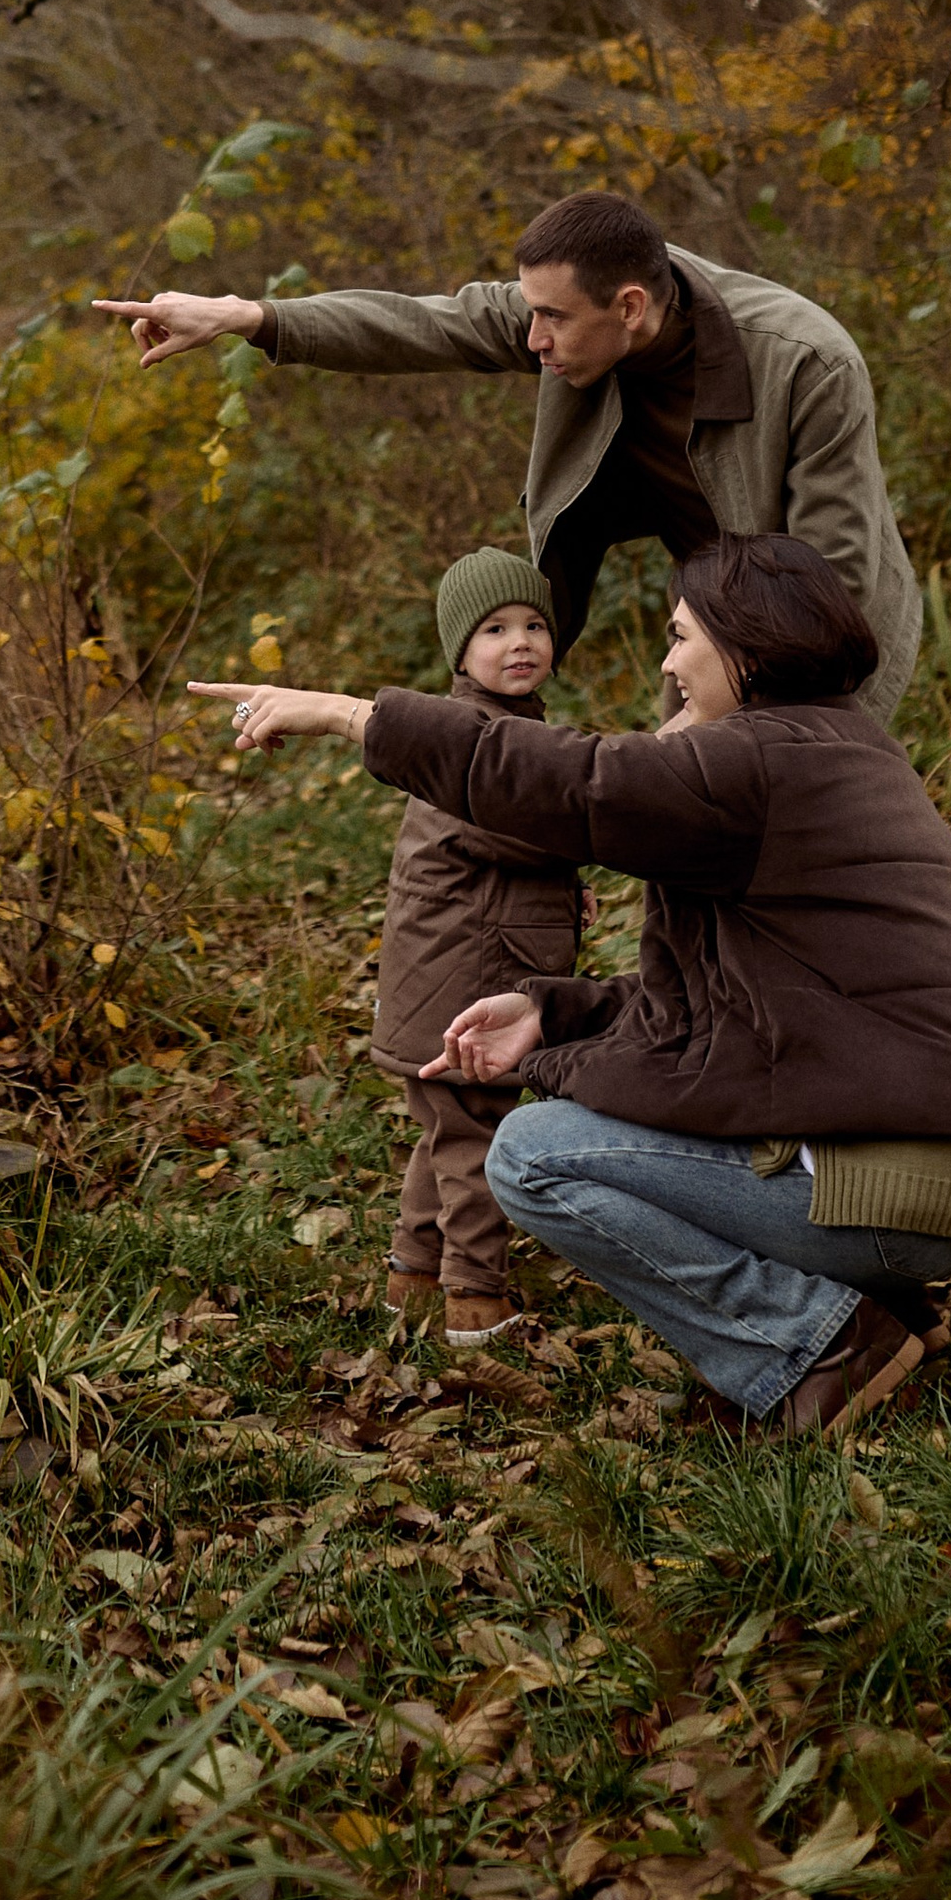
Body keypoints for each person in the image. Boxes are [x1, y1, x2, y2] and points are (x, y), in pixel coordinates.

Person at [193, 529, 951, 1439]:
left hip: (894, 1184)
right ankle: (876, 1312)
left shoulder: (756, 762)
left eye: (681, 638)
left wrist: (346, 714)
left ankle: (816, 1348)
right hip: (941, 1179)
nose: (669, 665)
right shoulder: (839, 748)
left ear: (746, 647)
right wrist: (555, 1014)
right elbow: (741, 1009)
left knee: (531, 1154)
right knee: (577, 1129)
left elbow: (571, 784)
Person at [101, 185, 921, 719]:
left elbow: (831, 576)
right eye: (528, 312)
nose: (532, 340)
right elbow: (424, 325)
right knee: (687, 841)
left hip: (828, 644)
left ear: (630, 307)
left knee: (795, 841)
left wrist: (724, 724)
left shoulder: (808, 363)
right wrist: (249, 317)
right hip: (706, 620)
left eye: (551, 320)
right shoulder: (573, 312)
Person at [375, 550, 585, 1351]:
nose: (520, 642)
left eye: (534, 625)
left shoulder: (508, 725)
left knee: (446, 1126)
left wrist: (567, 891)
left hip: (451, 962)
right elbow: (522, 825)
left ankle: (413, 1272)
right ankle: (475, 1294)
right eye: (494, 630)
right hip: (469, 971)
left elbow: (508, 854)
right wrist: (581, 850)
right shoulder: (469, 736)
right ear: (459, 653)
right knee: (476, 1132)